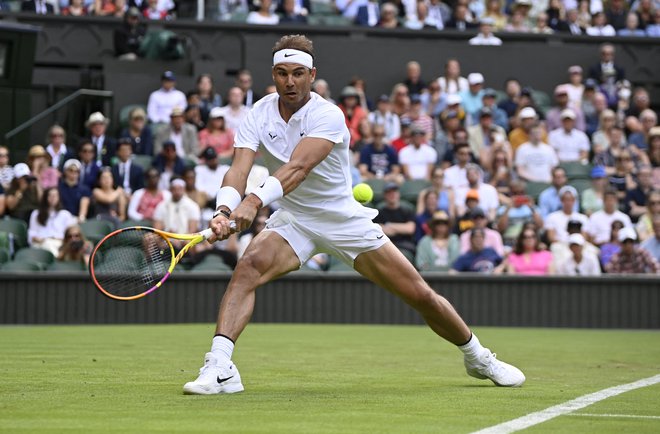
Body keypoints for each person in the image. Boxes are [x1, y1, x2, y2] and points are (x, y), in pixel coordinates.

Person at [182, 35, 525, 395]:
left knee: (420, 295)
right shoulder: (259, 112)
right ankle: (220, 366)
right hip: (295, 219)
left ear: (312, 75)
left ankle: (478, 356)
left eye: (298, 73)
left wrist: (252, 202)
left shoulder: (328, 114)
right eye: (282, 73)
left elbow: (298, 168)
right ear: (273, 74)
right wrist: (223, 209)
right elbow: (237, 168)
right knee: (247, 268)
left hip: (342, 219)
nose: (290, 82)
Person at [27, 187, 75, 256]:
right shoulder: (36, 214)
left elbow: (70, 234)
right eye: (50, 195)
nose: (53, 198)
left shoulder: (65, 214)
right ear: (45, 197)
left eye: (55, 196)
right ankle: (58, 259)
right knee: (46, 244)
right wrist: (38, 239)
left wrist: (57, 238)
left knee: (49, 244)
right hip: (40, 244)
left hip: (59, 243)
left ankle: (56, 259)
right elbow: (32, 233)